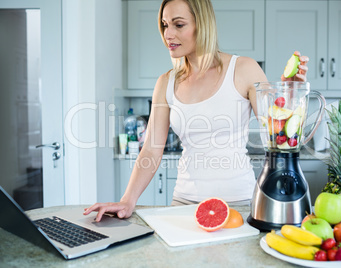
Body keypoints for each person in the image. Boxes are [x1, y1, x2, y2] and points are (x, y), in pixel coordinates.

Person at [84, 0, 309, 221]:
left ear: (202, 25)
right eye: (164, 25)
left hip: (238, 203)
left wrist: (290, 92)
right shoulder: (166, 82)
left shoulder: (244, 69)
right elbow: (151, 151)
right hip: (184, 204)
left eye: (178, 25)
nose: (168, 34)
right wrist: (127, 200)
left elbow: (277, 132)